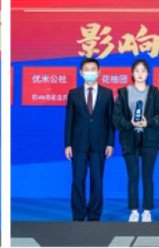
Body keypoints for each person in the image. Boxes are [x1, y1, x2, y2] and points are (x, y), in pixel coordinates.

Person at [112, 59, 159, 222]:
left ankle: (147, 210)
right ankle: (134, 211)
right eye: (137, 71)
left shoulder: (154, 92)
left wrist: (148, 122)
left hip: (150, 139)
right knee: (133, 176)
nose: (140, 74)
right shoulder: (123, 93)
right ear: (132, 73)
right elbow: (116, 118)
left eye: (143, 71)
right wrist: (130, 124)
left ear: (148, 73)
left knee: (148, 176)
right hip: (129, 139)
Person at [64, 57, 114, 222]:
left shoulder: (107, 93)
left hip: (100, 143)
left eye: (93, 69)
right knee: (78, 180)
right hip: (78, 143)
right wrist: (68, 144)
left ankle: (94, 215)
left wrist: (110, 143)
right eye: (87, 69)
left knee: (97, 181)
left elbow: (110, 121)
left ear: (99, 72)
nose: (90, 72)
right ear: (81, 72)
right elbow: (69, 120)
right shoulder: (74, 94)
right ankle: (78, 215)